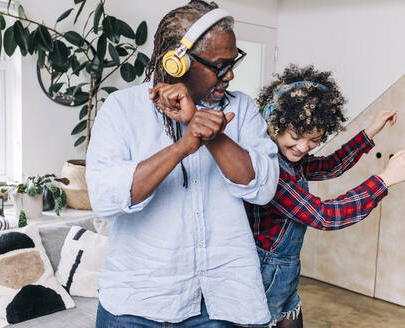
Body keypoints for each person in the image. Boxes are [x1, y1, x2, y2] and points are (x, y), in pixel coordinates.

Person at [85, 1, 279, 327]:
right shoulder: (122, 109)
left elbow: (262, 188)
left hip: (220, 301)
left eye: (232, 63)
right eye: (220, 65)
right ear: (177, 62)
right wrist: (183, 146)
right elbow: (106, 198)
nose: (229, 74)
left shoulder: (241, 109)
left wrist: (206, 130)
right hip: (136, 300)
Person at [244, 64, 405, 328]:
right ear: (274, 124)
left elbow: (330, 165)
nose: (303, 147)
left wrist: (371, 131)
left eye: (314, 140)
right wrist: (384, 180)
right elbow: (324, 215)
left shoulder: (293, 161)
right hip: (265, 272)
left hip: (286, 273)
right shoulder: (271, 170)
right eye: (295, 136)